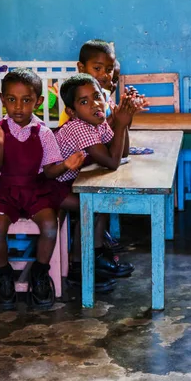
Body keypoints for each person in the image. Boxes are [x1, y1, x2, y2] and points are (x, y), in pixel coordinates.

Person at [0, 68, 85, 311]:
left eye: (26, 100)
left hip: (36, 190)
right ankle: (4, 273)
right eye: (11, 99)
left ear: (38, 102)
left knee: (50, 225)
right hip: (6, 191)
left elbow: (49, 172)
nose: (18, 107)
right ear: (2, 99)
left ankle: (40, 273)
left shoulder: (44, 133)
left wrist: (65, 165)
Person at [56, 73, 142, 282]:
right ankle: (79, 267)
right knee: (91, 206)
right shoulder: (78, 127)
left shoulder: (97, 121)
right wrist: (120, 125)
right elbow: (112, 162)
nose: (94, 104)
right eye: (84, 101)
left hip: (74, 182)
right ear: (72, 112)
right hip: (53, 186)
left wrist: (125, 119)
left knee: (99, 204)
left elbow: (122, 153)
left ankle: (96, 257)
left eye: (97, 96)